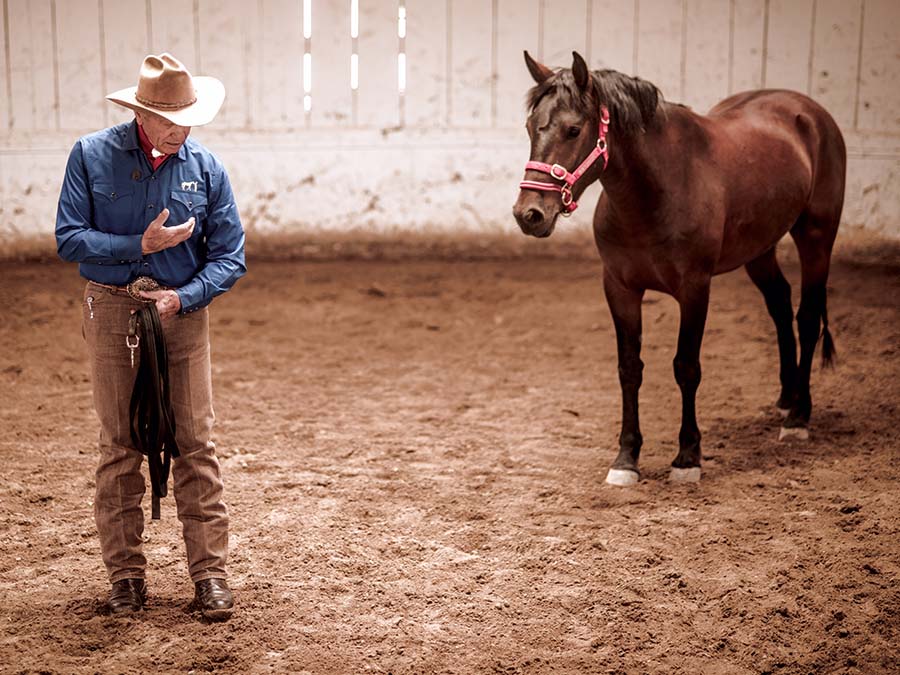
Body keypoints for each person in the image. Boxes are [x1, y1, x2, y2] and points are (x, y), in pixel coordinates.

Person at [55, 53, 246, 620]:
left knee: (196, 442)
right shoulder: (90, 156)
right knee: (119, 446)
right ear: (141, 113)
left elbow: (231, 257)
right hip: (112, 309)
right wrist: (138, 247)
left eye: (189, 117)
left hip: (181, 316)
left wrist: (182, 296)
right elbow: (69, 239)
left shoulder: (206, 168)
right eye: (171, 118)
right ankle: (126, 579)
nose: (182, 128)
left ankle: (210, 576)